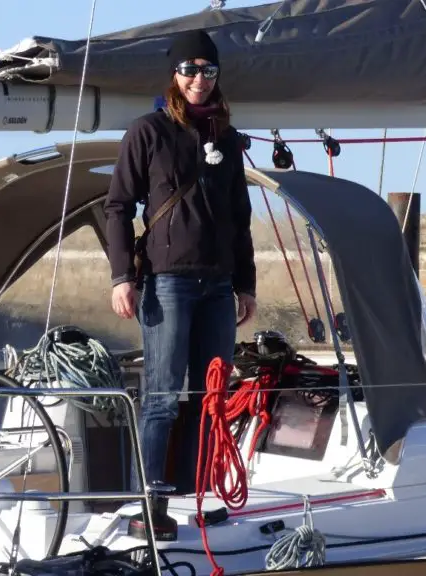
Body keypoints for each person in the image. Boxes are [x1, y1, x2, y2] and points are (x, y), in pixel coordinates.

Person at [103, 28, 257, 495]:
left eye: (208, 70)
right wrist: (121, 278)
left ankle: (196, 495)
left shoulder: (227, 140)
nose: (199, 79)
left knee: (209, 399)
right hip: (167, 282)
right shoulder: (148, 132)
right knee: (162, 399)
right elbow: (118, 207)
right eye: (190, 69)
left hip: (218, 285)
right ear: (175, 75)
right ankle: (151, 501)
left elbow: (240, 218)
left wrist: (245, 285)